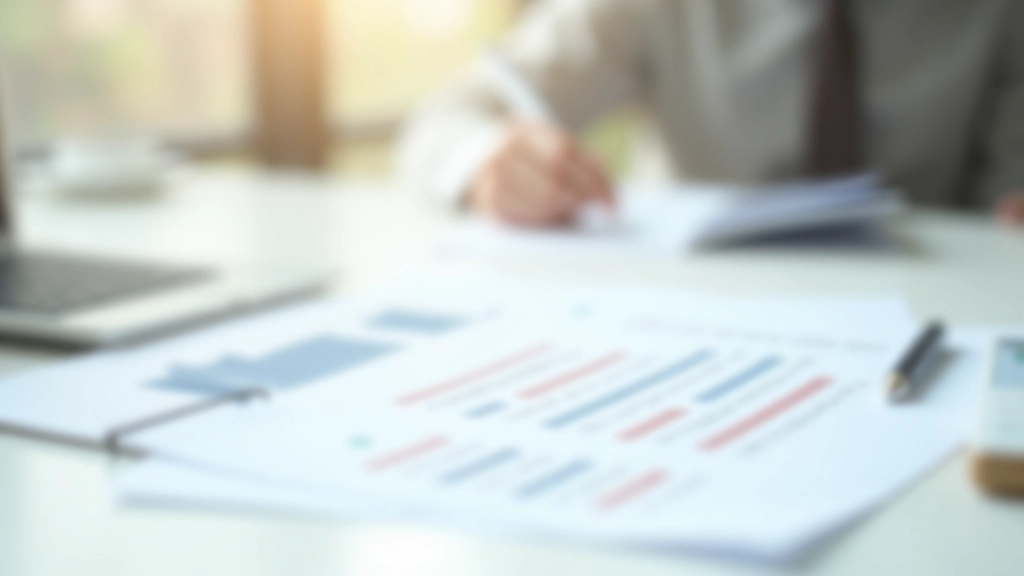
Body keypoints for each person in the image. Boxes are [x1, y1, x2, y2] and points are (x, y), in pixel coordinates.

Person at [398, 0, 1024, 228]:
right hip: (690, 321)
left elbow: (1007, 209)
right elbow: (446, 116)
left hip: (925, 322)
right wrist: (485, 162)